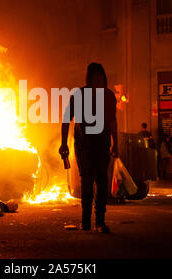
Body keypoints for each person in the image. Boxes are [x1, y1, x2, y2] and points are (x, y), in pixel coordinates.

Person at [59, 63, 118, 233]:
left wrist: (116, 145)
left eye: (101, 76)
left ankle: (100, 221)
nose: (98, 79)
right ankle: (85, 221)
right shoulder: (79, 95)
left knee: (101, 182)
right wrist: (63, 143)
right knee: (86, 181)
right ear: (89, 78)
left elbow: (113, 122)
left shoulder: (108, 96)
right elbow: (66, 119)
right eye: (95, 76)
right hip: (84, 145)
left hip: (102, 145)